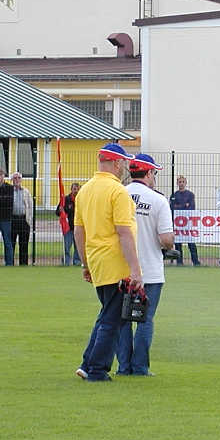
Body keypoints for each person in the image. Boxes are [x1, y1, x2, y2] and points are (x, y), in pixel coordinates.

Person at [74, 142, 142, 382]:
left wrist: (85, 264)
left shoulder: (85, 190)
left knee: (106, 315)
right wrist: (135, 270)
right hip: (116, 263)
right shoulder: (118, 192)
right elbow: (124, 232)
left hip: (97, 260)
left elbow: (78, 232)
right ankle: (97, 369)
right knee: (112, 321)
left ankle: (87, 363)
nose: (125, 168)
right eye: (124, 163)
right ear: (116, 163)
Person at [115, 153, 173, 377]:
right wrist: (167, 245)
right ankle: (140, 367)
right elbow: (166, 238)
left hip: (121, 269)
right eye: (154, 173)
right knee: (145, 320)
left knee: (122, 320)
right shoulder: (158, 200)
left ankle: (123, 366)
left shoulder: (119, 194)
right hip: (150, 270)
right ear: (149, 173)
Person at [169, 175, 201, 266]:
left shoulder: (190, 195)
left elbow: (191, 208)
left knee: (191, 243)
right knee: (178, 243)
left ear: (185, 183)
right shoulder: (174, 195)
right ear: (177, 183)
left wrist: (179, 207)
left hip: (188, 223)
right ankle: (179, 262)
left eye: (183, 182)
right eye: (180, 182)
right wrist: (184, 206)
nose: (181, 184)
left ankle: (196, 262)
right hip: (177, 224)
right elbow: (172, 209)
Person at [10, 172, 33, 266]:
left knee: (24, 244)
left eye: (18, 178)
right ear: (12, 180)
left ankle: (23, 264)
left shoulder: (26, 191)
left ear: (21, 180)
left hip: (24, 220)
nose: (17, 180)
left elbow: (30, 206)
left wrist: (29, 220)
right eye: (14, 178)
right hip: (12, 219)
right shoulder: (9, 191)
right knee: (11, 243)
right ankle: (10, 263)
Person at [57, 182, 81, 266]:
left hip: (78, 228)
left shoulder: (82, 200)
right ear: (71, 189)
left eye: (78, 189)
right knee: (67, 247)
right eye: (75, 189)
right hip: (68, 228)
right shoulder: (65, 199)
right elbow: (57, 212)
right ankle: (66, 262)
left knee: (78, 247)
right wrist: (60, 210)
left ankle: (77, 262)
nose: (76, 191)